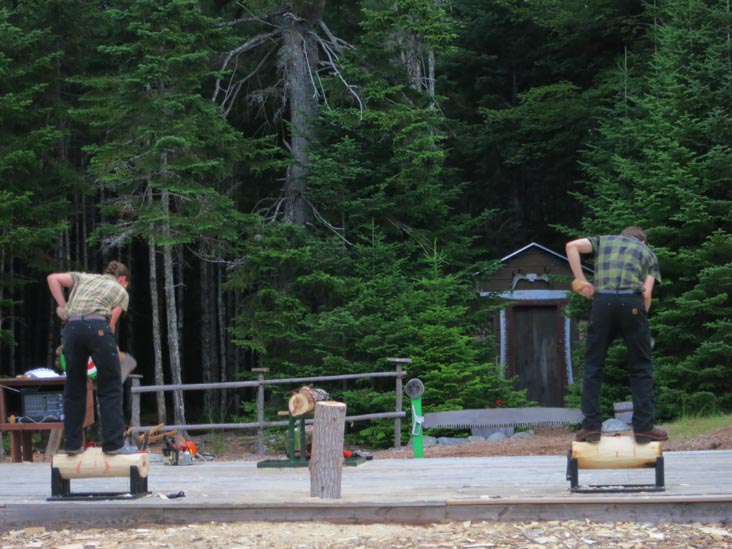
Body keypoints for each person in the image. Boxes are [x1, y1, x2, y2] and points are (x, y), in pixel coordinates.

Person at [566, 226, 668, 444]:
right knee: (641, 368)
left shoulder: (604, 241)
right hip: (632, 303)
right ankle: (643, 429)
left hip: (602, 303)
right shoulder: (647, 253)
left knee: (594, 366)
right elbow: (647, 293)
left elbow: (571, 246)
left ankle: (591, 427)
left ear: (621, 237)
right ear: (643, 241)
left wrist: (582, 280)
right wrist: (640, 319)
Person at [47, 261, 138, 455]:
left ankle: (72, 445)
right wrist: (112, 347)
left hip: (71, 329)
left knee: (74, 387)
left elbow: (52, 279)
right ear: (122, 279)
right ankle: (114, 444)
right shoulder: (120, 291)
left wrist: (64, 307)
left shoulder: (84, 277)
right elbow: (111, 324)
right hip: (98, 329)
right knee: (110, 386)